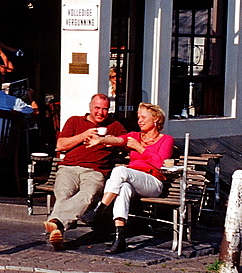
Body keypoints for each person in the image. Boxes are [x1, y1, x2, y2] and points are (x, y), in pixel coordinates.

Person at [80, 102, 174, 254]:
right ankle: (120, 238)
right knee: (123, 189)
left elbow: (160, 164)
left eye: (143, 117)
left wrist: (139, 148)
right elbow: (118, 140)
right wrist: (101, 140)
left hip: (153, 182)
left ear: (156, 119)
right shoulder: (135, 136)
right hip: (132, 180)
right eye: (138, 118)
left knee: (121, 171)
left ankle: (99, 210)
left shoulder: (166, 140)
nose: (140, 121)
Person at [42, 94, 127, 250]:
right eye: (97, 108)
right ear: (90, 107)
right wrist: (83, 135)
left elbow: (127, 142)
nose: (100, 113)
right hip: (68, 168)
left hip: (95, 171)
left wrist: (108, 140)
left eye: (105, 109)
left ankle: (55, 224)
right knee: (63, 194)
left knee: (88, 195)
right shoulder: (75, 121)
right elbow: (60, 145)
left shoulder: (114, 126)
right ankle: (57, 230)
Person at [0, 69, 35, 148]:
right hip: (3, 145)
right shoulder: (10, 100)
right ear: (2, 80)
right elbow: (33, 111)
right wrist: (31, 98)